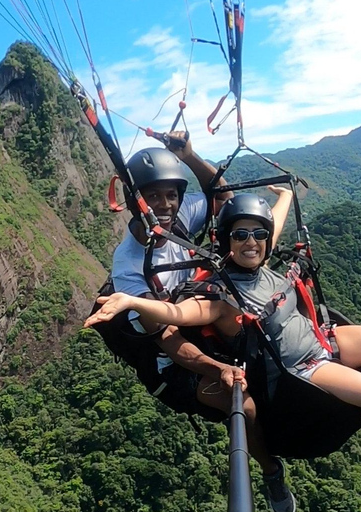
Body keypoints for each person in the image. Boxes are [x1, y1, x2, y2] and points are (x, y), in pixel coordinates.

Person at [87, 194, 361, 512]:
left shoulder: (261, 260)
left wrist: (284, 193)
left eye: (258, 234)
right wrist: (133, 300)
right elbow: (179, 314)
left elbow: (272, 224)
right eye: (241, 234)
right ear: (227, 240)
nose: (252, 242)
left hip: (320, 338)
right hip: (302, 367)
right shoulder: (221, 294)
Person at [106, 146, 297, 512]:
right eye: (153, 196)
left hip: (197, 318)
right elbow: (168, 341)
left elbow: (224, 198)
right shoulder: (130, 266)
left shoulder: (176, 218)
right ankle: (272, 474)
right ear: (135, 201)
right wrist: (220, 370)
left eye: (171, 195)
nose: (164, 204)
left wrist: (189, 155)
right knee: (247, 407)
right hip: (173, 364)